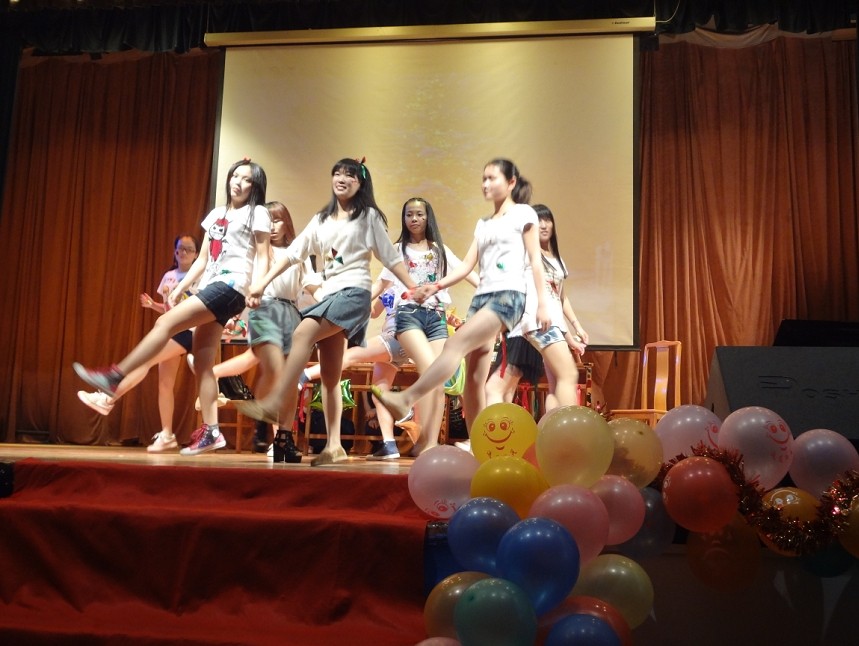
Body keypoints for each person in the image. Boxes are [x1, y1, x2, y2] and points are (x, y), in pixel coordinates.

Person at [74, 159, 271, 456]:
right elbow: (203, 260)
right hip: (212, 286)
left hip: (232, 286)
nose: (238, 182)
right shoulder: (216, 215)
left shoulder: (257, 213)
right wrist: (179, 288)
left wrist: (258, 287)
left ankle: (115, 376)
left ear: (255, 187)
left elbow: (264, 255)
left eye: (246, 179)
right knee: (203, 362)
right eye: (235, 176)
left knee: (164, 325)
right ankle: (212, 431)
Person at [236, 158, 417, 466]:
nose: (341, 178)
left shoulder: (368, 216)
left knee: (302, 332)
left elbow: (390, 257)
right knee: (331, 377)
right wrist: (261, 283)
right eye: (337, 173)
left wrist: (414, 286)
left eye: (349, 175)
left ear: (361, 183)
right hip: (332, 294)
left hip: (354, 293)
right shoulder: (321, 219)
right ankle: (335, 446)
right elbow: (294, 254)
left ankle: (276, 399)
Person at [372, 158, 549, 440]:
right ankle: (480, 445)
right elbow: (466, 267)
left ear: (511, 182)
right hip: (482, 299)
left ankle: (407, 398)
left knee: (453, 345)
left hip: (507, 296)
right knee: (474, 379)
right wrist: (435, 286)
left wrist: (542, 303)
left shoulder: (523, 213)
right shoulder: (484, 224)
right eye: (484, 178)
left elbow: (536, 261)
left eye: (493, 178)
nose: (486, 184)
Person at [371, 196, 479, 458]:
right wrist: (359, 304)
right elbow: (381, 284)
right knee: (431, 370)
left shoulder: (440, 249)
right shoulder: (398, 249)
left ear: (428, 217)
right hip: (408, 315)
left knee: (437, 379)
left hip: (436, 316)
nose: (414, 219)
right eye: (409, 214)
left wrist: (491, 290)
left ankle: (427, 443)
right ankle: (419, 433)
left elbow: (466, 271)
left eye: (419, 214)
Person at [76, 234, 201, 452]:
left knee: (145, 361)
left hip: (187, 330)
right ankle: (167, 434)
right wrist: (154, 305)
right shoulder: (169, 276)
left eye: (189, 249)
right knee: (165, 385)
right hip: (171, 328)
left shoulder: (199, 276)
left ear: (197, 254)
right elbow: (169, 308)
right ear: (175, 252)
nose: (183, 253)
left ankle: (107, 397)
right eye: (180, 248)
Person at [485, 204, 588, 418]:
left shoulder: (556, 259)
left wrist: (575, 328)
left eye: (547, 220)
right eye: (537, 221)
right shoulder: (525, 253)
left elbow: (560, 297)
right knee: (568, 374)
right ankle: (572, 428)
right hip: (537, 320)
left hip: (554, 323)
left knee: (556, 383)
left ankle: (554, 430)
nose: (543, 225)